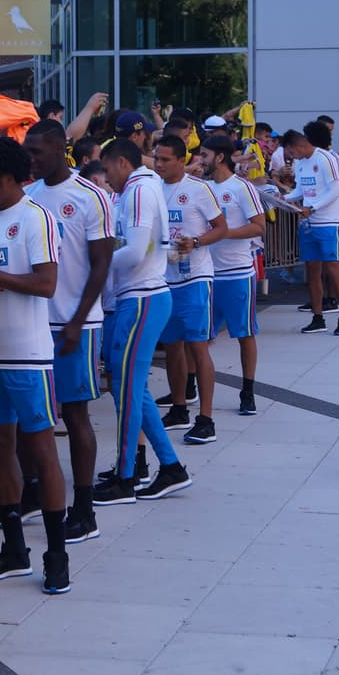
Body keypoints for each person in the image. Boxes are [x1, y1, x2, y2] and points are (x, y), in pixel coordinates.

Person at [0, 137, 71, 595]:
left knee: (42, 451)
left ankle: (56, 554)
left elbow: (47, 284)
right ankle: (13, 549)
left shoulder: (35, 218)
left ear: (9, 178)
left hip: (28, 355)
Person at [22, 120, 115, 544]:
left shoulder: (91, 196)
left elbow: (101, 262)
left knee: (75, 413)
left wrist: (77, 320)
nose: (31, 159)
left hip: (76, 322)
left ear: (61, 148)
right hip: (35, 323)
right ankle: (35, 491)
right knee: (31, 416)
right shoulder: (30, 195)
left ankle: (84, 507)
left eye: (37, 151)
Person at [94, 139, 192, 505]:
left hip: (142, 299)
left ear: (122, 162)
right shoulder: (138, 190)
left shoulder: (138, 190)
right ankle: (170, 467)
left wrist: (95, 262)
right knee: (132, 389)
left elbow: (134, 252)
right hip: (139, 298)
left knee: (127, 390)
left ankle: (126, 477)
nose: (106, 177)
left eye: (107, 168)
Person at [152, 135, 227, 444]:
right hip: (165, 278)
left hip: (195, 277)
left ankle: (206, 419)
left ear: (181, 161)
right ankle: (179, 408)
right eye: (156, 158)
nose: (158, 164)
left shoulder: (198, 189)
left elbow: (221, 228)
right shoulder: (152, 189)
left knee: (198, 347)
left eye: (165, 159)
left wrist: (195, 241)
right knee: (172, 346)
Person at [198, 135, 265, 415]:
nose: (200, 160)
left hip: (237, 273)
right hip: (206, 274)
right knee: (199, 337)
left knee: (244, 333)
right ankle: (189, 387)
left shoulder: (241, 188)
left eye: (204, 155)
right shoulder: (201, 188)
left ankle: (248, 391)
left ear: (219, 157)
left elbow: (259, 226)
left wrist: (223, 233)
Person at [281, 126, 339, 336]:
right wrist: (283, 199)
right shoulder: (300, 163)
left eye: (291, 152)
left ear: (298, 145)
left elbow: (335, 190)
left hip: (328, 223)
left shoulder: (325, 158)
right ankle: (317, 317)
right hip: (308, 224)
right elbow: (300, 190)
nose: (291, 157)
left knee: (333, 269)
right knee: (312, 271)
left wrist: (312, 207)